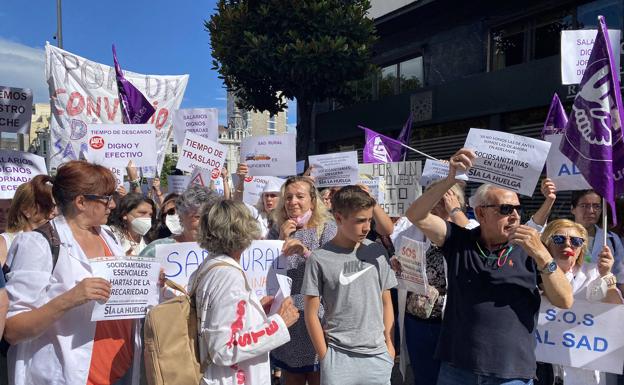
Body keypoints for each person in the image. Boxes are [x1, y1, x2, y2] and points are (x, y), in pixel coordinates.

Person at [405, 148, 573, 385]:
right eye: (505, 209)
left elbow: (564, 300)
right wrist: (450, 178)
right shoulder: (459, 241)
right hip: (458, 369)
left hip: (511, 372)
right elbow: (416, 215)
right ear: (481, 213)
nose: (514, 215)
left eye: (517, 208)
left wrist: (542, 256)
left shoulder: (531, 249)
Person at [4, 160, 143, 385]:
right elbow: (13, 329)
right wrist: (71, 298)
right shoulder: (38, 244)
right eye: (107, 198)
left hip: (118, 372)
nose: (113, 205)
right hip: (69, 375)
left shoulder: (108, 235)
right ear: (81, 202)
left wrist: (144, 281)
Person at [192, 199, 299, 385]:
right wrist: (279, 323)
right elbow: (223, 348)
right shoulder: (228, 276)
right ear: (243, 230)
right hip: (231, 378)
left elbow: (221, 320)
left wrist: (255, 309)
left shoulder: (209, 266)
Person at [303, 186, 397, 385]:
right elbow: (310, 313)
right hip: (338, 358)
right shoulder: (319, 259)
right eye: (360, 221)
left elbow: (386, 302)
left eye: (370, 220)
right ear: (338, 218)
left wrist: (390, 346)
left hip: (378, 356)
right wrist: (325, 356)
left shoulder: (378, 252)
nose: (367, 227)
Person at [267, 176, 337, 385]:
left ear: (313, 201)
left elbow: (331, 269)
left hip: (318, 315)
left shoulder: (326, 228)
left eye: (300, 196)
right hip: (289, 316)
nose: (293, 202)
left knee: (319, 376)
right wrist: (279, 240)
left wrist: (305, 252)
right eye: (288, 197)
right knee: (293, 376)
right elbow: (266, 271)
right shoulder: (275, 229)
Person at [541, 219, 622, 385]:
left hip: (583, 372)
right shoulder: (531, 274)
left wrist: (607, 276)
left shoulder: (593, 273)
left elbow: (615, 313)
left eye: (576, 241)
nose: (568, 245)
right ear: (546, 244)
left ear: (581, 249)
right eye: (559, 239)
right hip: (542, 367)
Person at [140, 184, 221, 259]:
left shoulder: (222, 249)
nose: (204, 223)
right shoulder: (156, 250)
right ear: (181, 216)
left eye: (209, 217)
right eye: (197, 217)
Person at [570, 189, 624, 289]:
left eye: (596, 206)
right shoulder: (561, 238)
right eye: (584, 206)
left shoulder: (611, 239)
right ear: (573, 209)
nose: (591, 211)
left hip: (603, 301)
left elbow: (621, 278)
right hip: (570, 299)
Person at [0, 175, 57, 266]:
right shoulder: (5, 242)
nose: (54, 212)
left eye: (55, 205)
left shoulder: (57, 241)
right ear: (26, 210)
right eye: (47, 205)